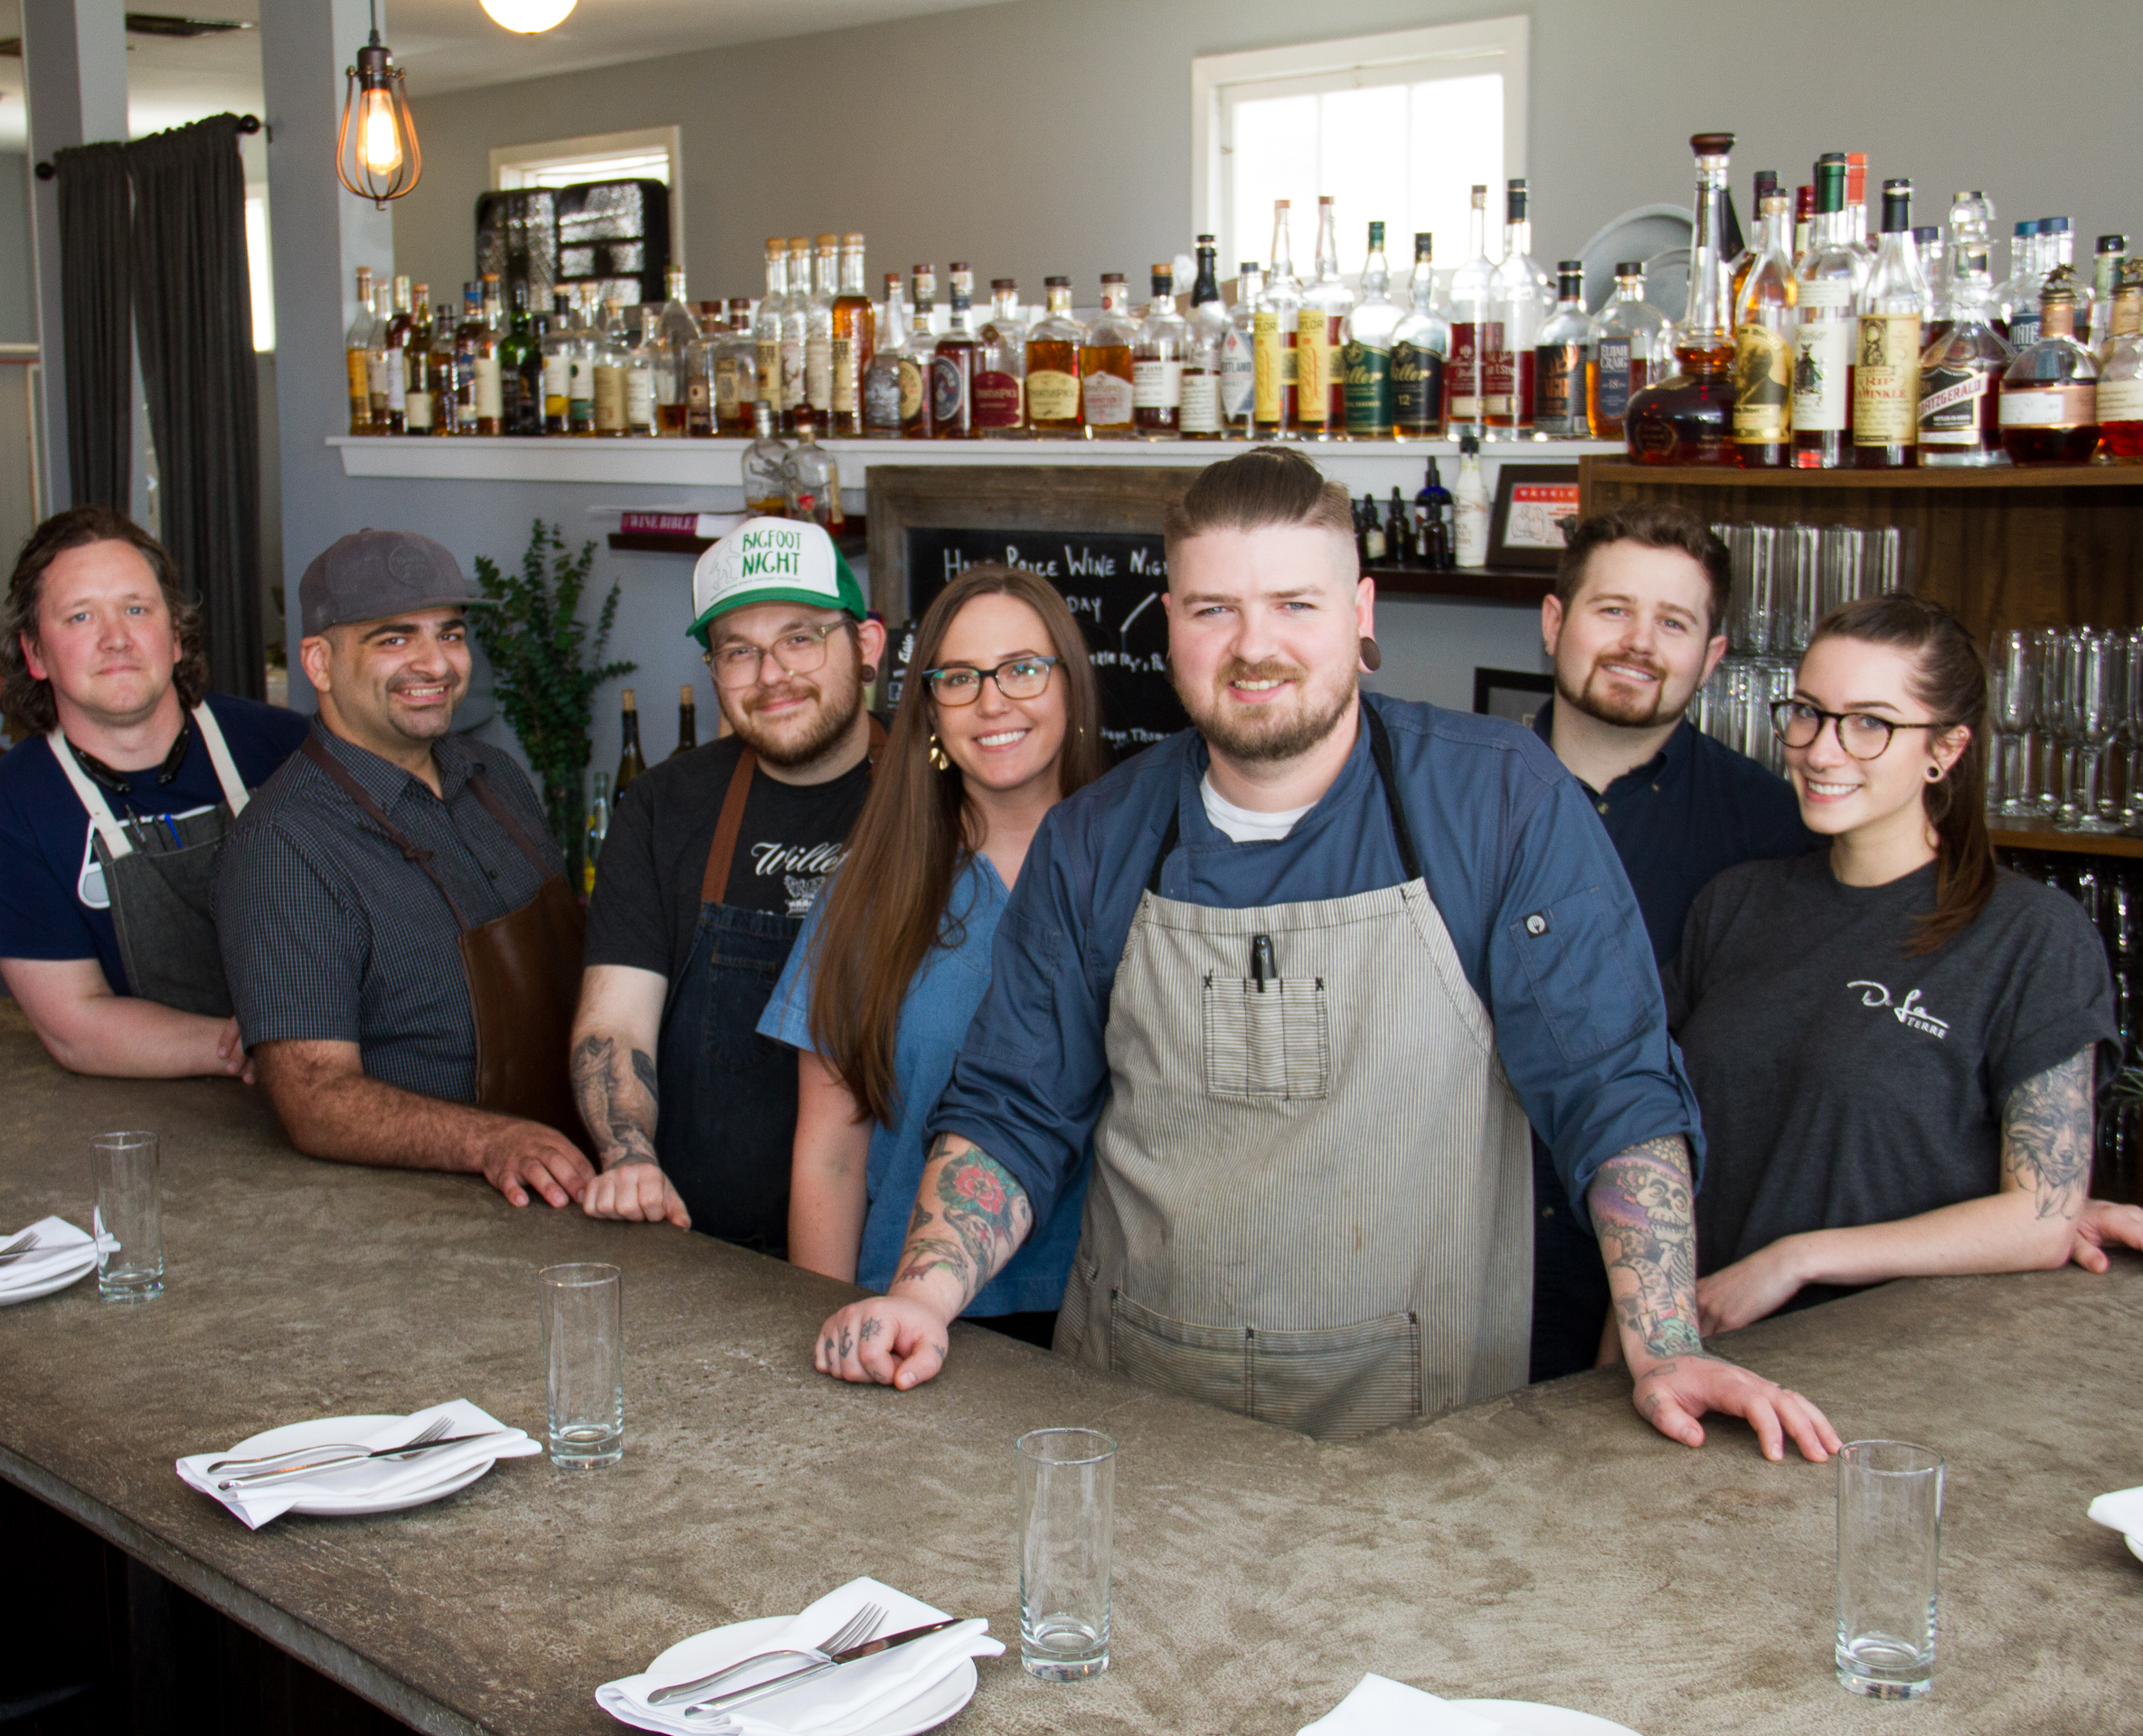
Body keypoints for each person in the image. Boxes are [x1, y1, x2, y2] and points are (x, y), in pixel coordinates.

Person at [813, 448, 1838, 1460]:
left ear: (1361, 614)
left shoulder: (1496, 799)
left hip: (1431, 1433)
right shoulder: (1096, 838)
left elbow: (1612, 1085)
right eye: (1215, 609)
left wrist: (1664, 1346)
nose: (1254, 647)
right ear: (1170, 624)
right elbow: (1013, 1108)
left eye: (1296, 605)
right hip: (1139, 1412)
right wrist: (921, 1295)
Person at [1677, 595, 2143, 1334]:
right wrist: (1639, 1314)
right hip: (1705, 1352)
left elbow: (2043, 1215)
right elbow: (1661, 1134)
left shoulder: (2030, 936)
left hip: (1900, 1365)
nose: (1821, 750)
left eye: (1870, 723)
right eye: (1807, 711)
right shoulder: (1733, 905)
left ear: (1947, 749)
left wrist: (1794, 1258)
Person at [760, 566, 1108, 1347]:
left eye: (1023, 669)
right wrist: (826, 1325)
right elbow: (831, 1153)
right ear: (928, 712)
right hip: (910, 1321)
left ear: (1071, 687)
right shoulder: (870, 889)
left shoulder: (1138, 867)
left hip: (1106, 1323)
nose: (993, 702)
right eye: (958, 678)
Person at [211, 530, 593, 1209]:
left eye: (449, 634)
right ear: (319, 664)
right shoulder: (284, 845)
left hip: (570, 1178)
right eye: (393, 640)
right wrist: (491, 1143)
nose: (435, 663)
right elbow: (314, 1098)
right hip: (436, 1211)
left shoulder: (495, 777)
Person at [1525, 503, 1814, 1382]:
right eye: (1613, 610)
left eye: (1674, 622)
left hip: (1676, 1299)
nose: (1639, 643)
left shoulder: (1777, 829)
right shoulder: (1458, 796)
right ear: (1554, 623)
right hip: (1464, 1265)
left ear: (1711, 657)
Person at [572, 518, 887, 1251]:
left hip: (901, 1263)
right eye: (739, 651)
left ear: (865, 646)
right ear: (714, 671)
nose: (771, 675)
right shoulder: (662, 808)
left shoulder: (941, 795)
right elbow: (614, 1021)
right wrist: (630, 1158)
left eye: (800, 638)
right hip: (706, 1248)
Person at [0, 506, 307, 1079]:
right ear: (35, 654)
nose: (116, 639)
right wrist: (253, 1046)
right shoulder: (12, 811)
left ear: (175, 636)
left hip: (334, 1078)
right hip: (149, 1114)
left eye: (136, 609)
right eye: (79, 617)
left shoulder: (287, 750)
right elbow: (75, 1026)